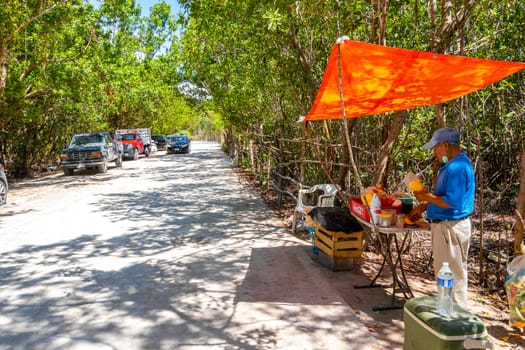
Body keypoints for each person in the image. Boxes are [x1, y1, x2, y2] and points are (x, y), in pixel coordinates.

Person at [409, 127, 475, 310]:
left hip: (451, 228)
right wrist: (425, 205)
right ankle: (447, 311)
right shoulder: (450, 165)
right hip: (444, 227)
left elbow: (453, 201)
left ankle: (457, 318)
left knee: (453, 275)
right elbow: (443, 197)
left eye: (436, 147)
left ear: (445, 145)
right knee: (445, 274)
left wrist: (425, 197)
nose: (435, 152)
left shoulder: (457, 167)